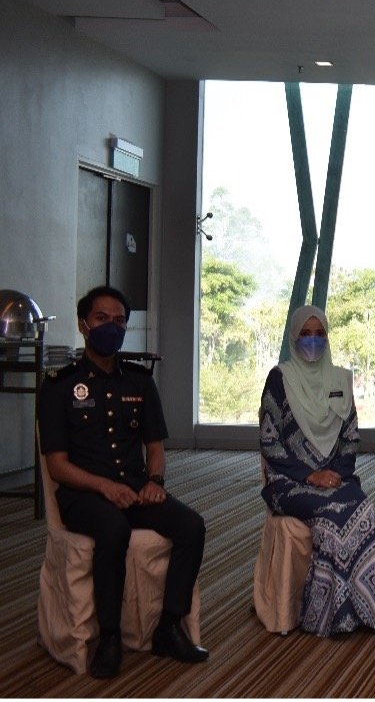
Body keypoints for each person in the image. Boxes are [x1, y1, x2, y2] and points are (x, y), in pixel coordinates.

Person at [36, 286, 208, 678]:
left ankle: (169, 627)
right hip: (83, 496)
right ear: (83, 325)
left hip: (134, 489)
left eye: (119, 321)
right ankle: (110, 638)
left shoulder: (139, 381)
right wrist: (103, 487)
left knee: (191, 526)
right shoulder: (59, 385)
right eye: (101, 319)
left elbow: (155, 446)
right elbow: (57, 466)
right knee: (113, 528)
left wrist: (155, 481)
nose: (111, 327)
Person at [258, 305, 375, 637]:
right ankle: (329, 615)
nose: (313, 341)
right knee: (332, 515)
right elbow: (270, 442)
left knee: (364, 511)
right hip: (288, 481)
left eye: (320, 334)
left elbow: (351, 436)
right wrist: (310, 475)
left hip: (336, 477)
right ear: (294, 337)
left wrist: (337, 474)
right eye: (306, 334)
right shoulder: (280, 379)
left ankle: (362, 609)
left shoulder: (340, 379)